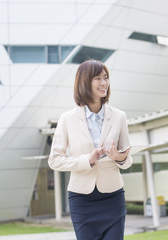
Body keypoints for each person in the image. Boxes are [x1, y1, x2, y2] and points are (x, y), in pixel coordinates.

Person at [48, 59, 133, 240]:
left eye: (106, 78)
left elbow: (127, 160)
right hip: (81, 199)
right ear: (85, 82)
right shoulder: (67, 119)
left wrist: (119, 157)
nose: (104, 83)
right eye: (98, 78)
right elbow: (54, 160)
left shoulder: (119, 117)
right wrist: (87, 160)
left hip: (113, 196)